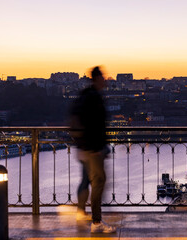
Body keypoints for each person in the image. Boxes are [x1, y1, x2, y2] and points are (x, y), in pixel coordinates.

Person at [70, 66, 116, 233]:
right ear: (97, 78)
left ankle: (83, 212)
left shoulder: (85, 95)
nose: (105, 80)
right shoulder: (93, 97)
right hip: (93, 149)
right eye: (103, 77)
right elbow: (94, 124)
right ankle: (96, 223)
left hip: (86, 148)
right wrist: (96, 147)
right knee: (99, 182)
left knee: (88, 181)